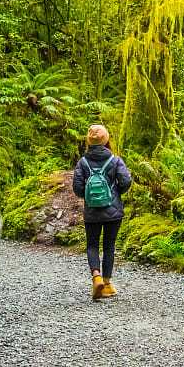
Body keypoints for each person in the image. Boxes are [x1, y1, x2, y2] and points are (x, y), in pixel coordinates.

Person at [72, 124, 133, 300]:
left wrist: (89, 198)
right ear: (106, 140)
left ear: (89, 142)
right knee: (109, 246)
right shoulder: (115, 160)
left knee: (92, 245)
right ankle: (106, 284)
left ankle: (96, 276)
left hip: (92, 212)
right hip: (113, 212)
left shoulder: (82, 163)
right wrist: (115, 194)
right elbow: (126, 181)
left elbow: (77, 189)